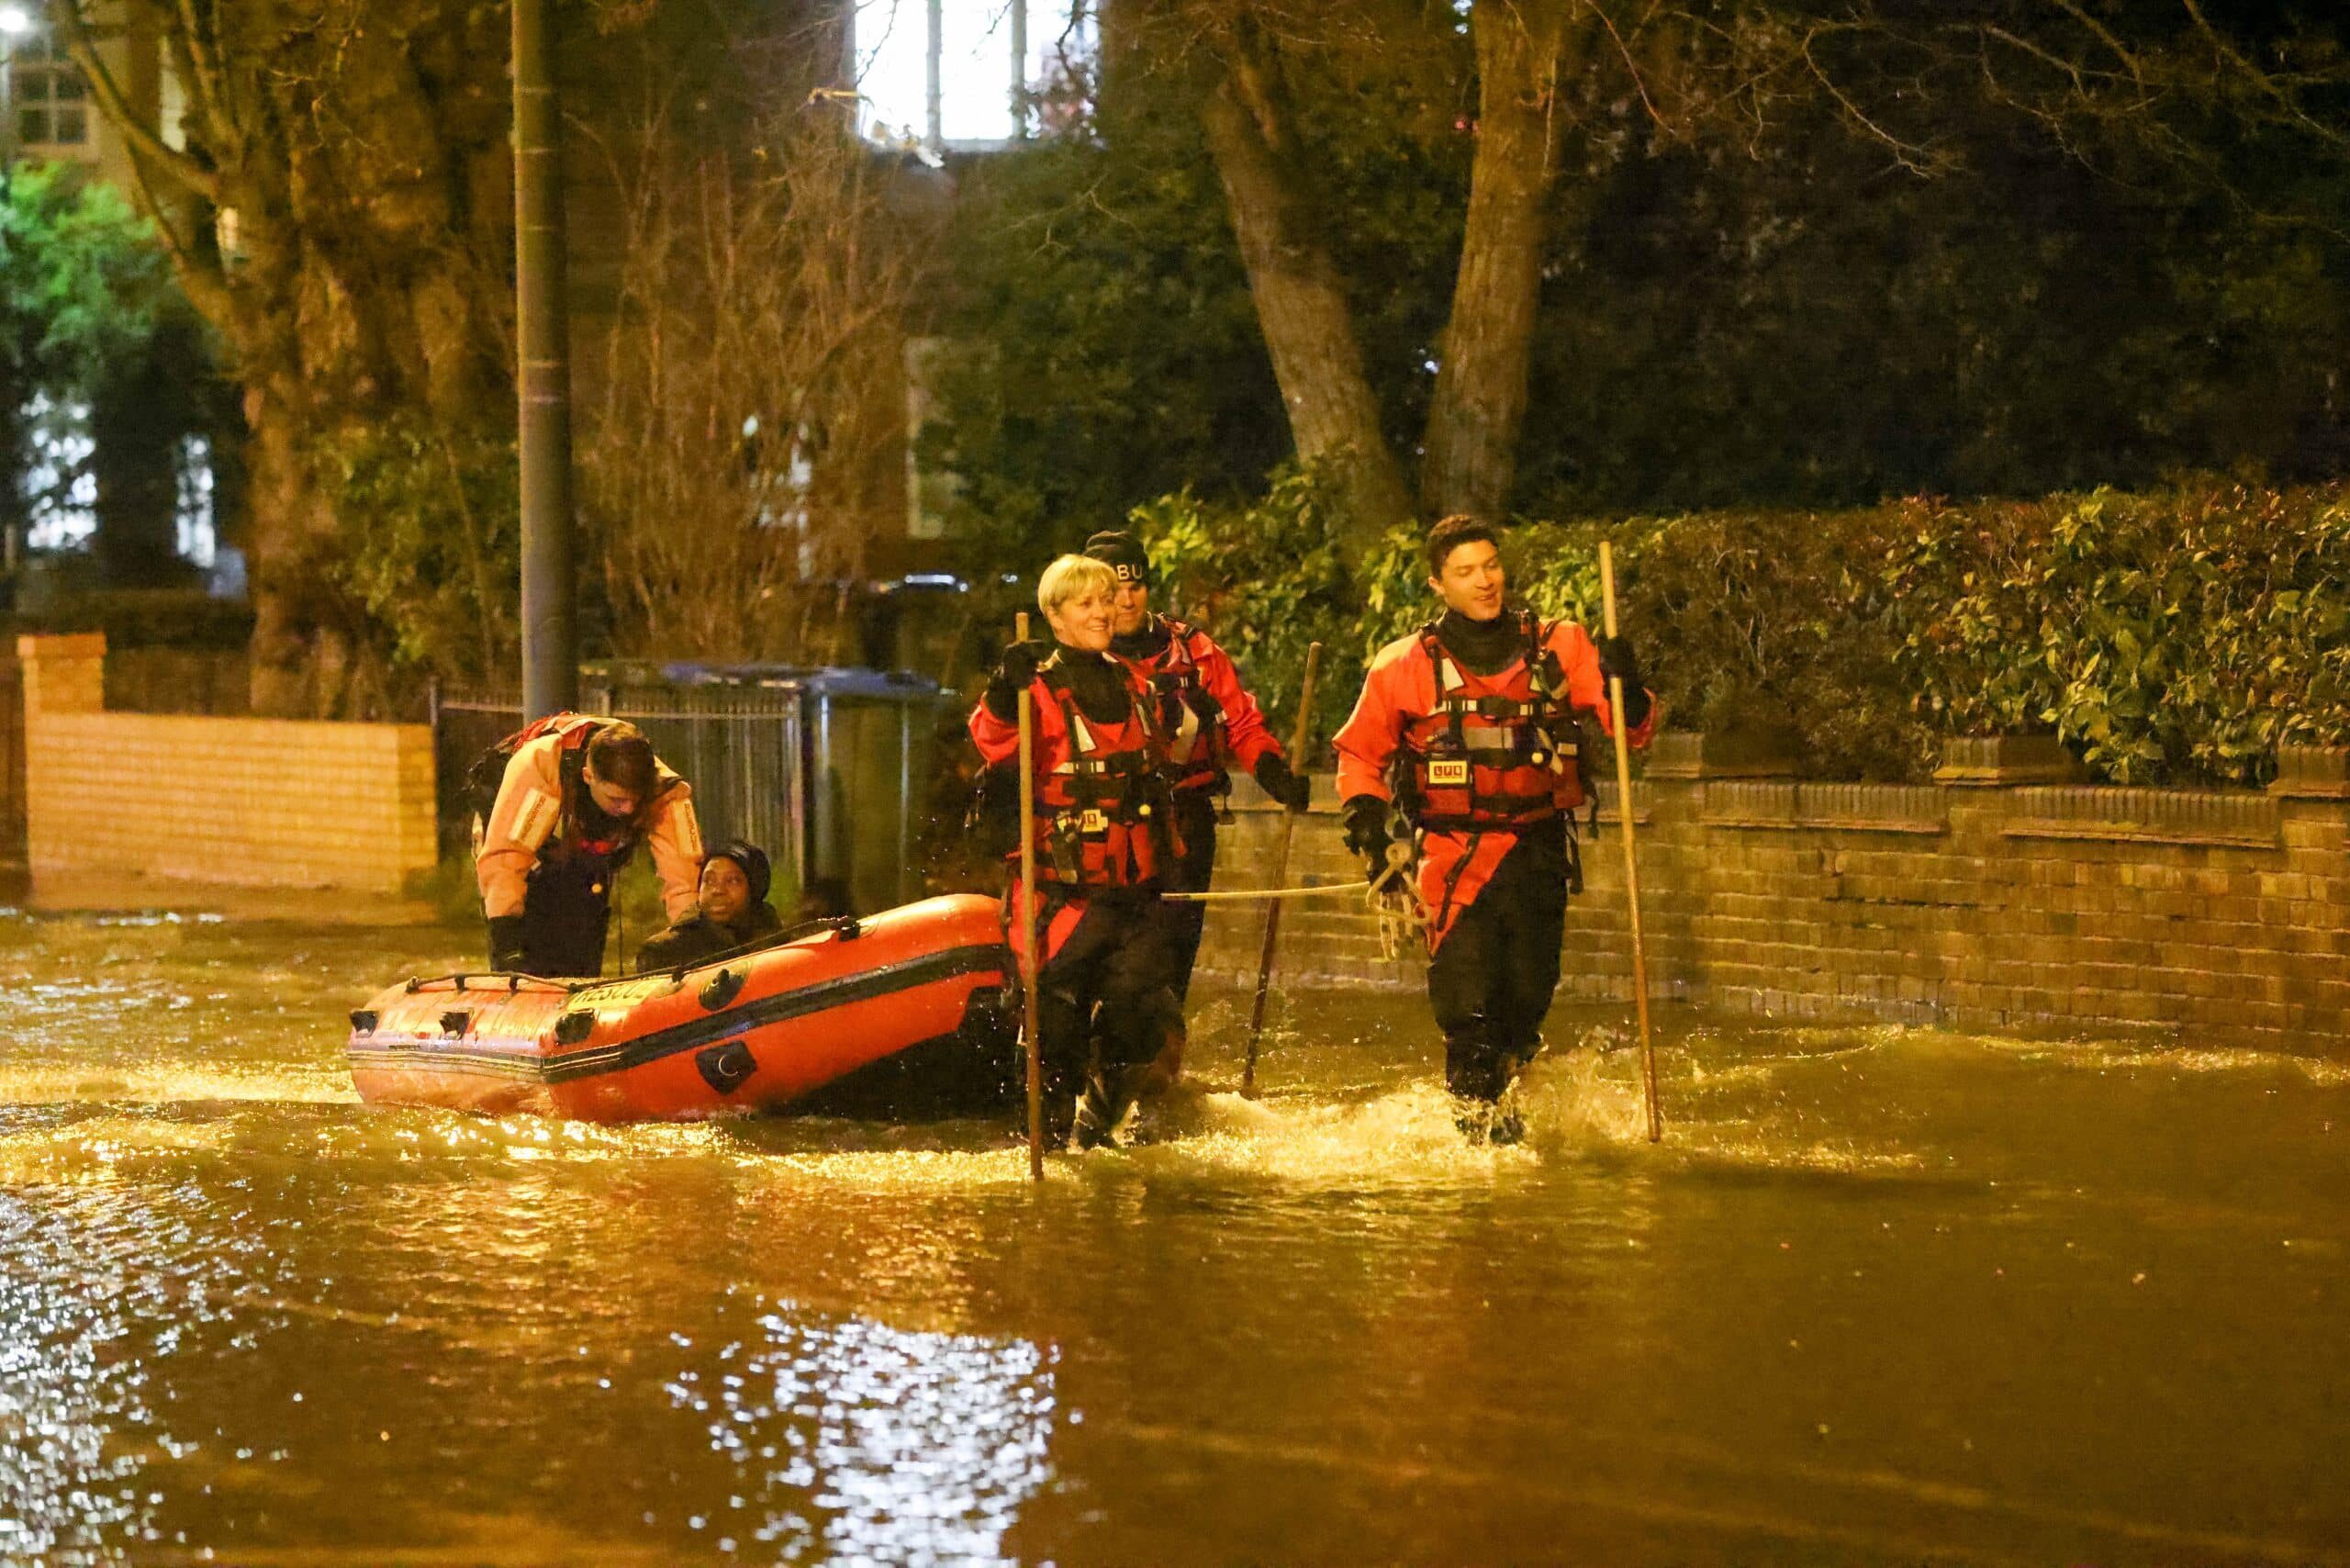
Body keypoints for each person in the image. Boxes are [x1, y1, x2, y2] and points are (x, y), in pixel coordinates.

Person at [1332, 515, 1658, 1140]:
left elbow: (1629, 730)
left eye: (1491, 566)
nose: (1484, 582)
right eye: (1466, 572)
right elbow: (1359, 755)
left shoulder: (1560, 646)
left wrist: (1629, 683)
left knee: (1524, 1008)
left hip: (1537, 856)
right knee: (1467, 1014)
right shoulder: (1403, 665)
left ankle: (1506, 1121)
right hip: (1456, 863)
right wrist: (1372, 840)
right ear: (1437, 584)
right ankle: (1475, 1152)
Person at [968, 553, 1182, 1148]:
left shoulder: (1136, 684)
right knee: (1053, 1024)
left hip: (1131, 892)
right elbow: (991, 739)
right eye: (1084, 603)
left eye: (1106, 600)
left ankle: (1098, 1127)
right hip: (1056, 896)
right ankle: (1046, 1143)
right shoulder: (1032, 688)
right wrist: (1001, 691)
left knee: (1138, 1015)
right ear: (1055, 617)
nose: (1101, 612)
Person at [1083, 530, 1312, 1047]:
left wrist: (1273, 773)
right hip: (1106, 829)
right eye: (1111, 590)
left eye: (1135, 587)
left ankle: (1157, 1065)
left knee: (1171, 955)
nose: (1125, 600)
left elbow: (1242, 723)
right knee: (1108, 955)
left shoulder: (1194, 651)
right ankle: (1098, 1060)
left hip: (1183, 823)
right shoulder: (1074, 664)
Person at [474, 715, 703, 978]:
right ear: (588, 776)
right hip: (522, 847)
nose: (628, 809)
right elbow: (505, 859)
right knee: (530, 943)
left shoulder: (666, 789)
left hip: (586, 860)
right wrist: (507, 946)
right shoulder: (542, 768)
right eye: (617, 799)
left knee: (584, 939)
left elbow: (684, 874)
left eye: (634, 800)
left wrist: (690, 937)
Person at [634, 840, 783, 972]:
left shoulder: (770, 933)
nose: (718, 890)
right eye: (709, 881)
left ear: (754, 890)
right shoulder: (664, 951)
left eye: (732, 881)